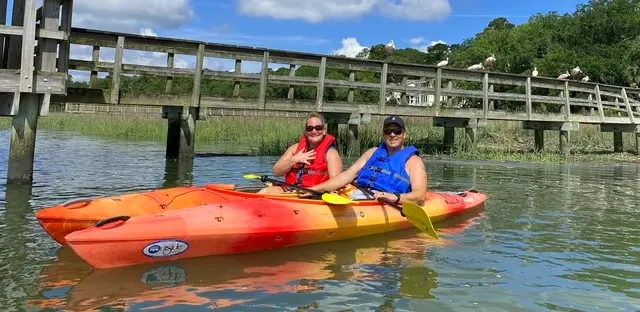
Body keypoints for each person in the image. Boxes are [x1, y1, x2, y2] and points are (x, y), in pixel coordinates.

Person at [307, 115, 427, 205]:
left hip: (386, 201)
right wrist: (314, 189)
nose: (392, 134)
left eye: (397, 131)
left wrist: (395, 197)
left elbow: (420, 195)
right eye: (388, 131)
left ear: (404, 134)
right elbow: (346, 176)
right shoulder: (372, 153)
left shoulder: (414, 161)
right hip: (359, 194)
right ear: (384, 134)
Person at [258, 112, 343, 194]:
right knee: (264, 192)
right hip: (290, 190)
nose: (314, 131)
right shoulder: (294, 149)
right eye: (310, 128)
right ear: (305, 132)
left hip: (315, 194)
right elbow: (276, 172)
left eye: (318, 128)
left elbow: (336, 183)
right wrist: (294, 160)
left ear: (324, 130)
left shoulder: (331, 153)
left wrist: (313, 191)